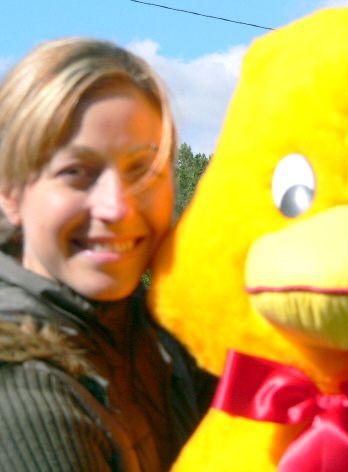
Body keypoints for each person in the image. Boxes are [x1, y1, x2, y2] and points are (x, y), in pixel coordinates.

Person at [0, 38, 216, 471]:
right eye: (76, 172)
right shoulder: (24, 393)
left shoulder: (166, 344)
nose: (116, 206)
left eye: (143, 171)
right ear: (12, 194)